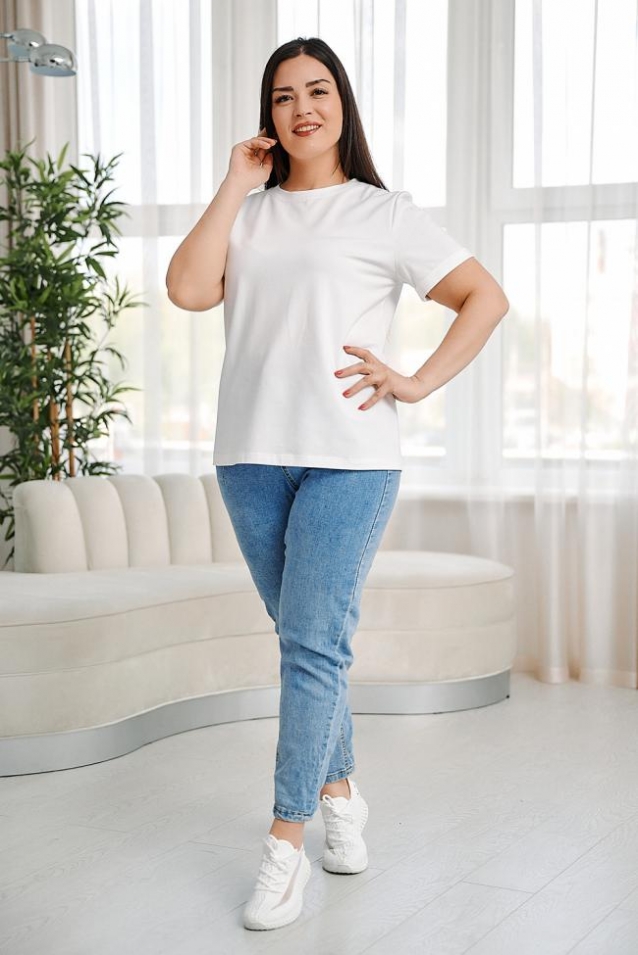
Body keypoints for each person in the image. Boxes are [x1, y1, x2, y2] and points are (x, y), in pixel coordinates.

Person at [166, 35, 509, 933]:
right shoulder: (249, 213)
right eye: (283, 96)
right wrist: (234, 184)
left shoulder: (383, 213)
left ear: (343, 105)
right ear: (268, 117)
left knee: (313, 644)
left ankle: (286, 844)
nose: (301, 108)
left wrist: (417, 381)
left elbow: (485, 298)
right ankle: (343, 792)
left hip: (350, 458)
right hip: (249, 454)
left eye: (317, 91)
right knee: (304, 639)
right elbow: (187, 290)